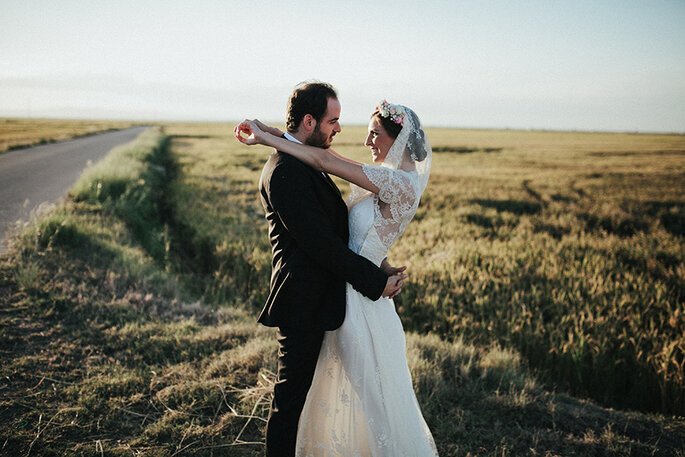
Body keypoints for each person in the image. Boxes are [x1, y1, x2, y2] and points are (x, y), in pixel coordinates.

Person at [236, 96, 438, 456]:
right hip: (344, 294)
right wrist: (380, 264)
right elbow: (364, 230)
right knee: (326, 392)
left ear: (398, 138)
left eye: (375, 133)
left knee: (372, 401)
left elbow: (327, 162)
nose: (366, 141)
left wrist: (268, 138)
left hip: (359, 300)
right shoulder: (387, 178)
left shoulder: (400, 183)